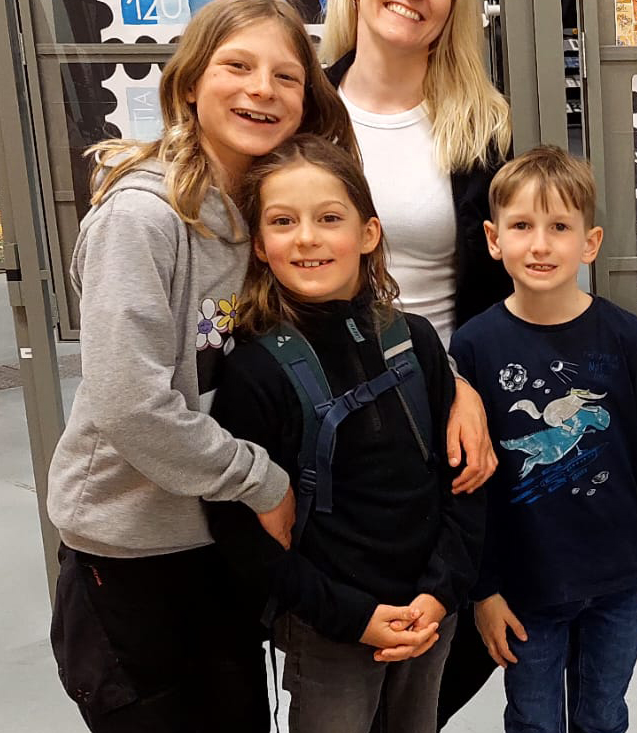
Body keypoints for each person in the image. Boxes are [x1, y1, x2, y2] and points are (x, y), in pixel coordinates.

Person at [44, 0, 357, 732]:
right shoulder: (141, 218)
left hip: (220, 537)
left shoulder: (266, 214)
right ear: (190, 83)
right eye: (237, 66)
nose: (262, 89)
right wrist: (260, 481)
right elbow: (131, 404)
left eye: (286, 76)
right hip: (135, 552)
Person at [206, 135, 486, 733]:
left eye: (329, 218)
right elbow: (241, 532)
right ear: (259, 245)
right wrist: (353, 617)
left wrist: (440, 593)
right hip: (328, 627)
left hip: (429, 613)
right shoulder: (255, 371)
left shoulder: (416, 342)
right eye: (283, 221)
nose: (307, 237)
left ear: (368, 233)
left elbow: (464, 482)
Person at [319, 0, 513, 722]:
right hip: (323, 414)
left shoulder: (479, 124)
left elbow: (494, 288)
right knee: (336, 650)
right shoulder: (302, 114)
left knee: (441, 643)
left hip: (442, 410)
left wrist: (464, 385)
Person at [450, 146, 637, 733]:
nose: (540, 245)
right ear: (493, 239)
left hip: (617, 581)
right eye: (522, 226)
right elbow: (469, 485)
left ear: (590, 243)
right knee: (533, 721)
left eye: (559, 227)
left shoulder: (627, 339)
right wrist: (484, 591)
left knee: (603, 717)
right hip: (525, 585)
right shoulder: (472, 347)